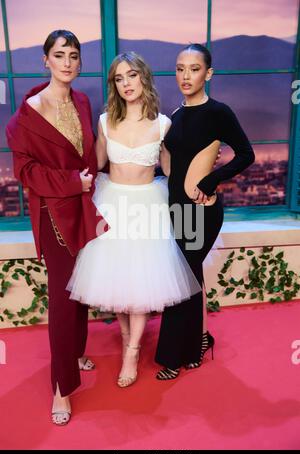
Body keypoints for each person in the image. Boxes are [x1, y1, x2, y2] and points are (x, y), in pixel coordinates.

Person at [67, 51, 201, 388]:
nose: (127, 83)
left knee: (141, 279)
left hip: (148, 206)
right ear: (114, 84)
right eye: (119, 78)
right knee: (117, 277)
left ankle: (132, 350)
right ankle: (126, 333)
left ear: (144, 77)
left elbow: (172, 170)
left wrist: (203, 182)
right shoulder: (104, 121)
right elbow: (96, 163)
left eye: (132, 75)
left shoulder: (163, 123)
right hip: (112, 203)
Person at [6, 30, 108, 425]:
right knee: (64, 300)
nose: (68, 62)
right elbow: (26, 173)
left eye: (74, 56)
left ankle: (77, 352)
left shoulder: (82, 100)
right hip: (54, 215)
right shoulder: (25, 117)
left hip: (84, 208)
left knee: (81, 291)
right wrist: (72, 184)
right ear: (45, 60)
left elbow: (90, 152)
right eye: (60, 55)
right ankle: (60, 389)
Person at [155, 43, 255, 380]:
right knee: (189, 273)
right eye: (180, 68)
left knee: (181, 273)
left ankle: (172, 356)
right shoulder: (175, 117)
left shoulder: (219, 112)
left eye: (194, 69)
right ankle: (199, 340)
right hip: (178, 207)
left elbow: (246, 154)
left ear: (208, 73)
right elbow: (172, 168)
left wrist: (213, 179)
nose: (186, 75)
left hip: (203, 208)